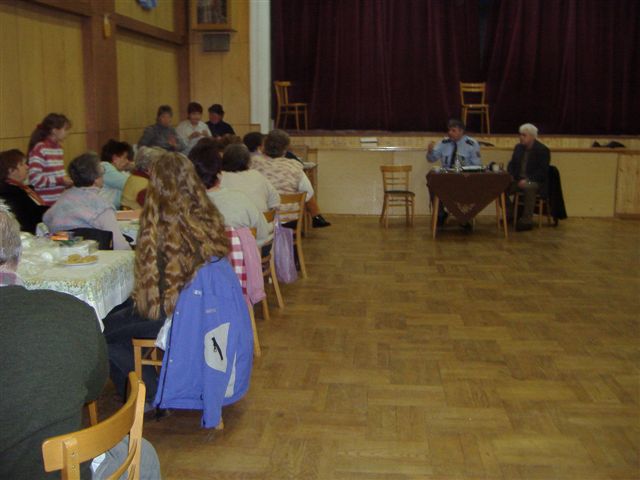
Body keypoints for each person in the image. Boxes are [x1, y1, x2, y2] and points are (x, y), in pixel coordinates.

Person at [0, 210, 161, 479]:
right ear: (18, 254)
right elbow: (92, 388)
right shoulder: (74, 310)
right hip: (68, 468)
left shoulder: (55, 211)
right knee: (143, 454)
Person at [108, 152, 252, 429]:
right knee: (118, 319)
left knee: (104, 332)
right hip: (207, 311)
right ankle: (150, 385)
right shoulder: (208, 215)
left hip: (182, 314)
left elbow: (154, 292)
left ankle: (148, 391)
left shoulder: (158, 224)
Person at [190, 139, 271, 247]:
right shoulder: (240, 198)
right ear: (219, 171)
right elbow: (263, 234)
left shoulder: (182, 203)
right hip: (241, 254)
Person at [43, 153, 131, 250]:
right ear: (96, 179)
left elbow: (47, 221)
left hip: (61, 253)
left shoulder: (62, 200)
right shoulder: (102, 207)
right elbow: (120, 245)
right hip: (95, 256)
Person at [251, 129, 331, 228]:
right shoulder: (294, 166)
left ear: (264, 146)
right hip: (287, 220)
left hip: (260, 220)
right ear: (285, 149)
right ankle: (316, 217)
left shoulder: (253, 163)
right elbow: (308, 193)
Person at [426, 119, 481, 228]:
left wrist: (466, 172)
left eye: (453, 130)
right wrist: (430, 151)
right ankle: (441, 214)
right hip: (447, 178)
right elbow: (431, 159)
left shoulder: (471, 144)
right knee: (432, 182)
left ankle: (465, 217)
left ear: (461, 131)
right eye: (449, 130)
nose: (450, 133)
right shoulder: (444, 143)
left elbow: (477, 165)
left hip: (464, 179)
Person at [507, 123, 551, 231]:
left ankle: (527, 220)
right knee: (498, 187)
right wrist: (511, 174)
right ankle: (511, 213)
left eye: (524, 135)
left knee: (528, 186)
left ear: (532, 136)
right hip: (518, 180)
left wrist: (528, 179)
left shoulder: (542, 150)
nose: (521, 137)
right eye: (520, 135)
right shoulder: (518, 148)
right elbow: (511, 164)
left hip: (535, 182)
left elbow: (542, 171)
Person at [27, 113, 74, 205]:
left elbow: (57, 174)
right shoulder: (40, 148)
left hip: (58, 201)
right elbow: (34, 179)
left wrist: (67, 182)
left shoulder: (59, 148)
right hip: (45, 202)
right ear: (54, 131)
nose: (68, 132)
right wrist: (61, 180)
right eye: (65, 129)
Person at [220, 143, 280, 213]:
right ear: (248, 160)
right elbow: (275, 201)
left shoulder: (219, 178)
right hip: (262, 218)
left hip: (232, 219)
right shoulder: (256, 174)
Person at [0, 149, 49, 233]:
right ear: (11, 170)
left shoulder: (23, 188)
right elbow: (30, 217)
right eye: (22, 164)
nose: (27, 167)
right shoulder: (9, 194)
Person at [99, 139, 133, 209]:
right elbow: (130, 185)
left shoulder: (120, 171)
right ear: (115, 158)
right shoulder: (105, 167)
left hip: (111, 210)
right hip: (101, 210)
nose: (128, 162)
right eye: (125, 158)